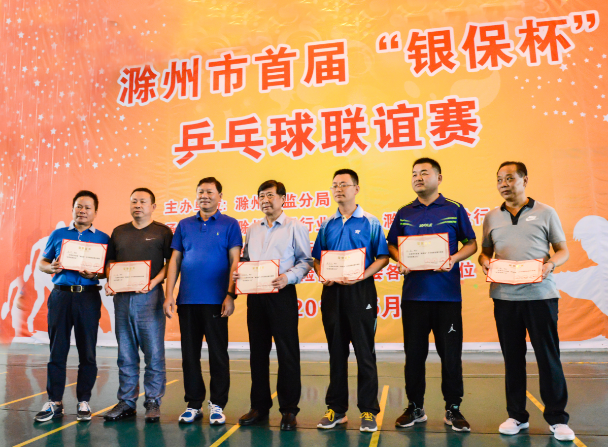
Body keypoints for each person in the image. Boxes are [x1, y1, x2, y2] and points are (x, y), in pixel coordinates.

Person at [479, 161, 574, 442]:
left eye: (510, 178)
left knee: (548, 356)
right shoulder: (491, 217)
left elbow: (562, 250)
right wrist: (484, 262)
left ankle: (558, 419)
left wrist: (550, 265)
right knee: (512, 358)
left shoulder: (546, 212)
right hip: (504, 297)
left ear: (524, 180)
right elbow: (485, 252)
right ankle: (516, 416)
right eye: (499, 179)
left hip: (540, 296)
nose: (504, 184)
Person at [387, 158, 477, 432]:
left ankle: (453, 408)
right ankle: (415, 406)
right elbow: (391, 245)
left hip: (447, 297)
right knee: (414, 356)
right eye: (414, 173)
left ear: (439, 177)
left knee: (450, 356)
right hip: (414, 297)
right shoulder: (404, 212)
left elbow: (471, 243)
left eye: (424, 173)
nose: (418, 177)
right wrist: (400, 259)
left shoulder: (454, 208)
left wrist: (453, 259)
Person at [313, 169, 389, 433]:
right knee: (336, 353)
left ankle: (368, 410)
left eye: (344, 184)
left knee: (364, 353)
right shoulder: (327, 224)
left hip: (361, 292)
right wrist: (322, 274)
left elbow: (383, 257)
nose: (339, 189)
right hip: (332, 293)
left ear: (356, 188)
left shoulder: (371, 222)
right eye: (335, 185)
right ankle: (336, 409)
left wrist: (361, 276)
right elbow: (317, 258)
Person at [236, 180, 313, 431]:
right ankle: (259, 407)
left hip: (282, 293)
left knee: (287, 353)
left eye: (270, 195)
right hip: (256, 296)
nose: (265, 200)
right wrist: (240, 272)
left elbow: (305, 261)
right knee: (257, 352)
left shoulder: (295, 227)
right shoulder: (252, 229)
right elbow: (246, 258)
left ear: (283, 199)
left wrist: (287, 278)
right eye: (261, 196)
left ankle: (289, 410)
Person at [164, 177, 242, 424]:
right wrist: (169, 295)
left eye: (209, 192)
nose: (204, 196)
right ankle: (194, 404)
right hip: (187, 301)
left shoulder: (230, 224)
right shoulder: (184, 225)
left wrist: (230, 294)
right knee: (189, 355)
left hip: (216, 301)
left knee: (218, 354)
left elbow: (235, 261)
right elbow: (175, 260)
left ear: (220, 196)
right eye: (200, 192)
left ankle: (217, 404)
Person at [35, 191, 110, 422]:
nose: (82, 211)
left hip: (88, 298)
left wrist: (96, 274)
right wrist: (51, 267)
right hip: (61, 296)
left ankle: (83, 401)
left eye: (87, 207)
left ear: (95, 212)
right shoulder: (58, 234)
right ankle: (54, 401)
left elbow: (108, 271)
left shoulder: (103, 238)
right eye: (78, 206)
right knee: (57, 350)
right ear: (72, 208)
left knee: (88, 351)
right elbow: (42, 262)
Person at [102, 188, 173, 423]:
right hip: (122, 299)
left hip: (150, 297)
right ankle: (127, 402)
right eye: (134, 201)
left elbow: (171, 263)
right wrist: (111, 281)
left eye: (143, 201)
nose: (138, 205)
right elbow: (111, 262)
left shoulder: (162, 232)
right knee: (126, 353)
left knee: (154, 353)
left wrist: (153, 282)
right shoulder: (119, 232)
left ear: (153, 206)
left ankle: (153, 401)